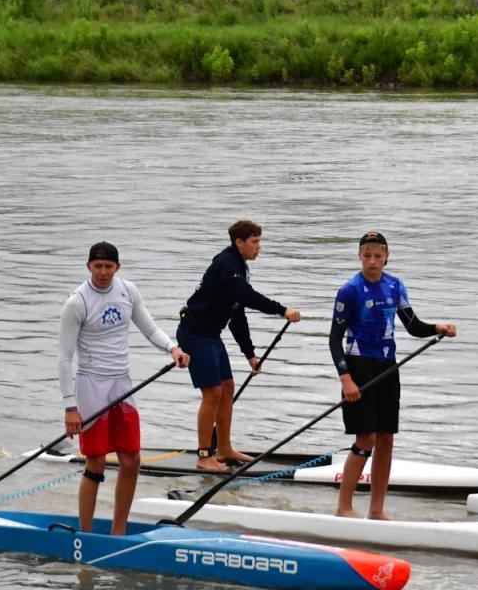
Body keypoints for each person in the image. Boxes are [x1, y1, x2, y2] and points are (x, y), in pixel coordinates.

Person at [59, 241, 190, 535]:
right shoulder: (77, 302)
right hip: (91, 386)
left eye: (108, 267)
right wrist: (70, 407)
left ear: (118, 267)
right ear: (88, 266)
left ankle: (118, 533)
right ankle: (87, 534)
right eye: (97, 266)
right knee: (95, 462)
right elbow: (64, 358)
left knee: (132, 460)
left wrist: (173, 349)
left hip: (122, 385)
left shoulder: (128, 291)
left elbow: (149, 328)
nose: (103, 272)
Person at [330, 231, 457, 520]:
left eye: (378, 256)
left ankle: (376, 510)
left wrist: (438, 327)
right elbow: (334, 339)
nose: (372, 262)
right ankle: (344, 507)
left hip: (388, 367)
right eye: (367, 256)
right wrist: (346, 378)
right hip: (359, 366)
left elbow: (413, 325)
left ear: (386, 257)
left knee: (386, 438)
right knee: (366, 438)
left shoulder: (395, 285)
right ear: (359, 257)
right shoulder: (350, 290)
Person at [176, 220, 302, 472]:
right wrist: (282, 310)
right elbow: (247, 296)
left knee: (228, 387)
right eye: (254, 242)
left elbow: (237, 315)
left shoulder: (239, 267)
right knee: (212, 393)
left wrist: (250, 355)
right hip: (195, 334)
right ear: (239, 242)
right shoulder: (227, 265)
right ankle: (204, 456)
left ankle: (223, 449)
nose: (259, 247)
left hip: (212, 335)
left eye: (259, 241)